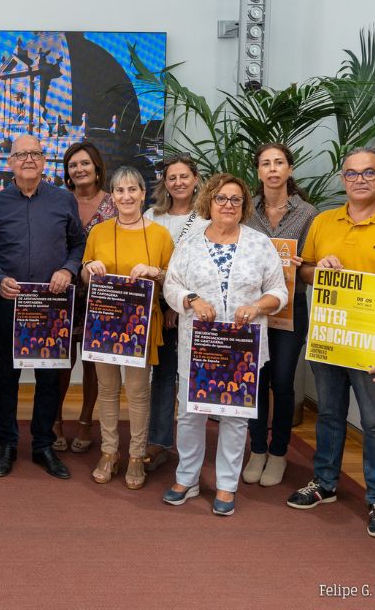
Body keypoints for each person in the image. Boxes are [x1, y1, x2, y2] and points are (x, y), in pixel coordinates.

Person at [287, 148, 375, 539]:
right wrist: (320, 268)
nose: (360, 179)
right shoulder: (323, 222)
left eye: (369, 173)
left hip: (374, 350)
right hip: (331, 341)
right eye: (352, 173)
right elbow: (304, 275)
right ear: (342, 179)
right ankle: (325, 482)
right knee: (329, 415)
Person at [163, 174, 287, 516]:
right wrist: (191, 299)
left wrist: (258, 306)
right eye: (221, 199)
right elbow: (170, 286)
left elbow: (279, 291)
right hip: (199, 343)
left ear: (244, 205)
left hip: (241, 345)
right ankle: (186, 479)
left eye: (235, 200)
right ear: (209, 202)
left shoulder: (260, 244)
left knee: (234, 417)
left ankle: (226, 484)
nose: (228, 205)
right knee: (190, 413)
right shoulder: (188, 244)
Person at [0, 135, 86, 479]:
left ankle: (43, 444)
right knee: (6, 376)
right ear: (9, 162)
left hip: (51, 304)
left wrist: (67, 270)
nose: (29, 159)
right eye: (21, 154)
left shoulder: (63, 200)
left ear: (45, 162)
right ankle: (7, 445)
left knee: (48, 376)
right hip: (9, 302)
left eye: (35, 154)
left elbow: (78, 244)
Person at [80, 166, 173, 490]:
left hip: (141, 327)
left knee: (136, 392)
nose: (127, 196)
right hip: (104, 324)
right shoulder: (99, 232)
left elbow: (171, 279)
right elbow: (84, 274)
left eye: (133, 189)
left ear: (143, 194)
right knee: (106, 391)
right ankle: (109, 452)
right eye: (120, 190)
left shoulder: (160, 235)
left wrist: (155, 272)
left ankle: (135, 456)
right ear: (113, 196)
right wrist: (90, 268)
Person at [241, 143, 318, 487]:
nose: (273, 169)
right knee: (256, 379)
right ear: (257, 172)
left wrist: (305, 266)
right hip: (252, 309)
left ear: (289, 169)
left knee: (283, 382)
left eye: (279, 163)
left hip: (291, 309)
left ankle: (279, 452)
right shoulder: (246, 210)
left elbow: (313, 266)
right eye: (265, 164)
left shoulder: (308, 213)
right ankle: (257, 449)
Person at [143, 155, 208, 474]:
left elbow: (207, 269)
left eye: (184, 176)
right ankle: (159, 441)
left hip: (198, 311)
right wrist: (168, 307)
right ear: (164, 183)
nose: (179, 183)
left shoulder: (209, 218)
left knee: (194, 378)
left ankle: (192, 447)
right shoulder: (151, 216)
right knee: (164, 376)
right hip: (159, 310)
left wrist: (180, 305)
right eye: (172, 178)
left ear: (196, 179)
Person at [55, 142, 116, 453]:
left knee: (94, 363)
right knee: (61, 361)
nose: (79, 169)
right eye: (73, 165)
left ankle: (85, 421)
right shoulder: (57, 201)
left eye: (85, 163)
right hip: (62, 291)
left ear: (96, 167)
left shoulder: (114, 204)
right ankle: (55, 420)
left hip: (100, 295)